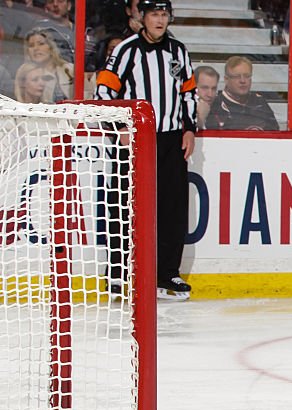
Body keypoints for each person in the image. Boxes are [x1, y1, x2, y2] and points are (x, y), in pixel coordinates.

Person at [96, 0, 197, 300]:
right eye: (154, 14)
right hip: (136, 141)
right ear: (142, 17)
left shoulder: (178, 51)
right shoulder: (126, 50)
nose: (159, 20)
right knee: (123, 208)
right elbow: (103, 91)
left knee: (172, 209)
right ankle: (118, 275)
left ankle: (166, 274)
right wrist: (120, 127)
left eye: (164, 14)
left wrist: (189, 128)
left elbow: (188, 92)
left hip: (170, 140)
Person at [205, 56, 280, 131]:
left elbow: (274, 134)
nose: (243, 81)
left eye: (247, 76)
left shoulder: (260, 102)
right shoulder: (215, 106)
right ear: (226, 80)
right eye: (237, 76)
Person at [22, 28, 72, 103]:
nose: (36, 48)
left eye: (41, 44)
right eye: (31, 45)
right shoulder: (26, 73)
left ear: (51, 46)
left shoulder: (70, 69)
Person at [194, 64, 218, 130]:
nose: (210, 94)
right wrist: (200, 119)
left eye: (213, 88)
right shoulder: (182, 110)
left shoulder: (220, 109)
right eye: (205, 88)